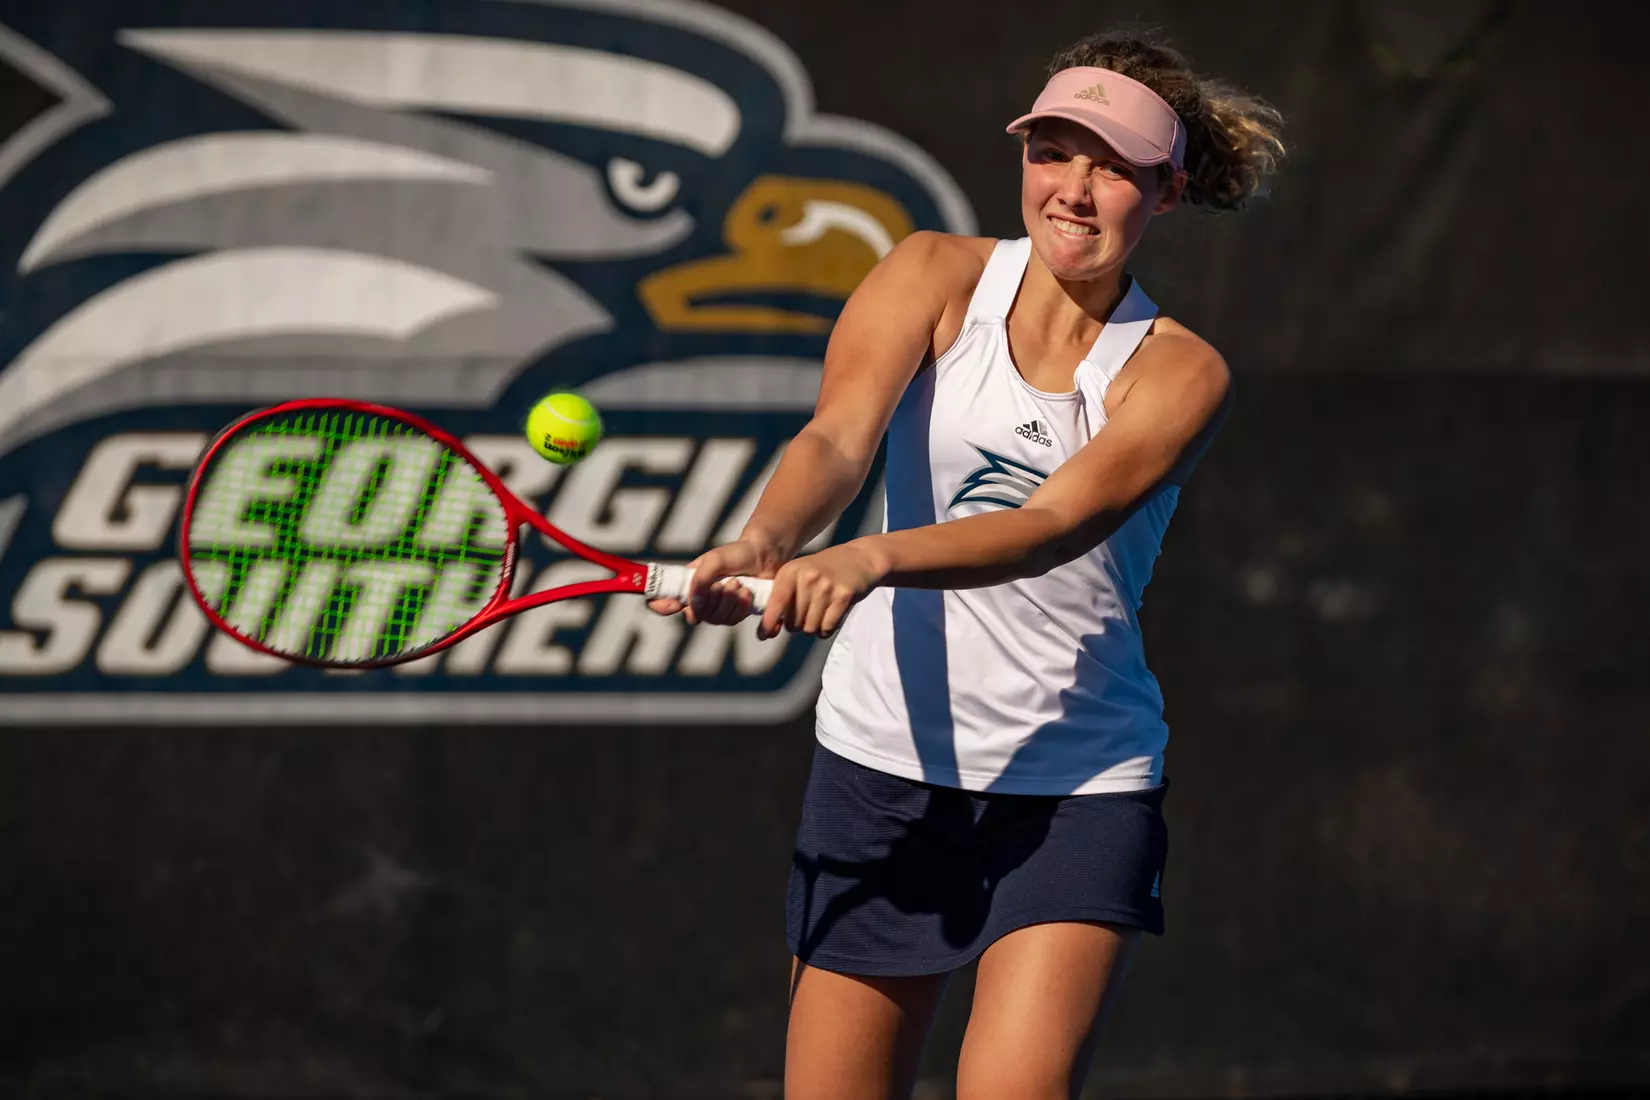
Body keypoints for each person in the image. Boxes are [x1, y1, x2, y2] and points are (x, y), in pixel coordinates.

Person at [649, 29, 1285, 1100]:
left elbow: (1052, 521)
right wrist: (767, 541)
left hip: (1073, 788)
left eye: (1113, 166)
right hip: (881, 770)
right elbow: (837, 441)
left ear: (1166, 192)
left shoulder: (1182, 372)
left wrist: (868, 559)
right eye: (1053, 152)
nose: (1074, 190)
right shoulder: (929, 273)